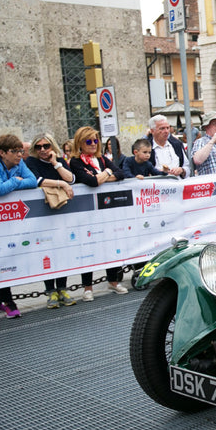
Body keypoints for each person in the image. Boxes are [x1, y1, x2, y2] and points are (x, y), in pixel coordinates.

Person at [0, 134, 37, 318]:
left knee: (10, 256)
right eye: (15, 151)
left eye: (20, 151)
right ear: (2, 153)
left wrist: (10, 184)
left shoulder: (19, 164)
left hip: (10, 218)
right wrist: (16, 181)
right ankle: (8, 302)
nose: (20, 155)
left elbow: (32, 181)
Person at [69, 126, 128, 300]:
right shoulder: (76, 162)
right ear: (80, 143)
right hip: (86, 210)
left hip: (105, 208)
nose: (93, 144)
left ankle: (113, 281)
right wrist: (106, 174)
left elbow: (120, 173)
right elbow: (91, 181)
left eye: (96, 140)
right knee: (88, 247)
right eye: (89, 141)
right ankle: (88, 287)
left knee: (110, 243)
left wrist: (104, 174)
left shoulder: (101, 159)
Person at [25, 133, 76, 309]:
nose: (42, 150)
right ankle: (50, 291)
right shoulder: (31, 162)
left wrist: (55, 163)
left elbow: (71, 179)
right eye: (38, 147)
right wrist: (61, 184)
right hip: (43, 212)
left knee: (61, 250)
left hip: (62, 211)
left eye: (46, 146)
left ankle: (62, 288)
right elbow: (37, 180)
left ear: (52, 146)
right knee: (46, 252)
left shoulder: (59, 160)